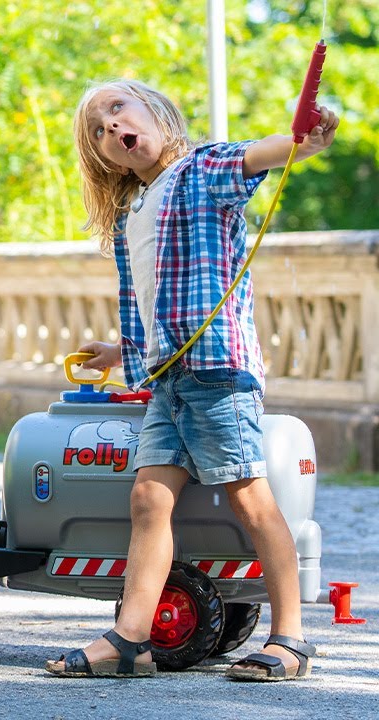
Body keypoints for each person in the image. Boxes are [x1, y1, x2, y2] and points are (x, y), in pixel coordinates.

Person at [43, 79, 339, 681]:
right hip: (168, 378)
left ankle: (291, 639)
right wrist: (121, 349)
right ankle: (131, 639)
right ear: (102, 156)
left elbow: (257, 155)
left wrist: (301, 143)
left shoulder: (201, 171)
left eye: (117, 110)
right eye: (98, 131)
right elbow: (155, 305)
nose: (111, 129)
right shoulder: (135, 211)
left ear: (154, 111)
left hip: (216, 370)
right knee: (149, 498)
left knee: (251, 499)